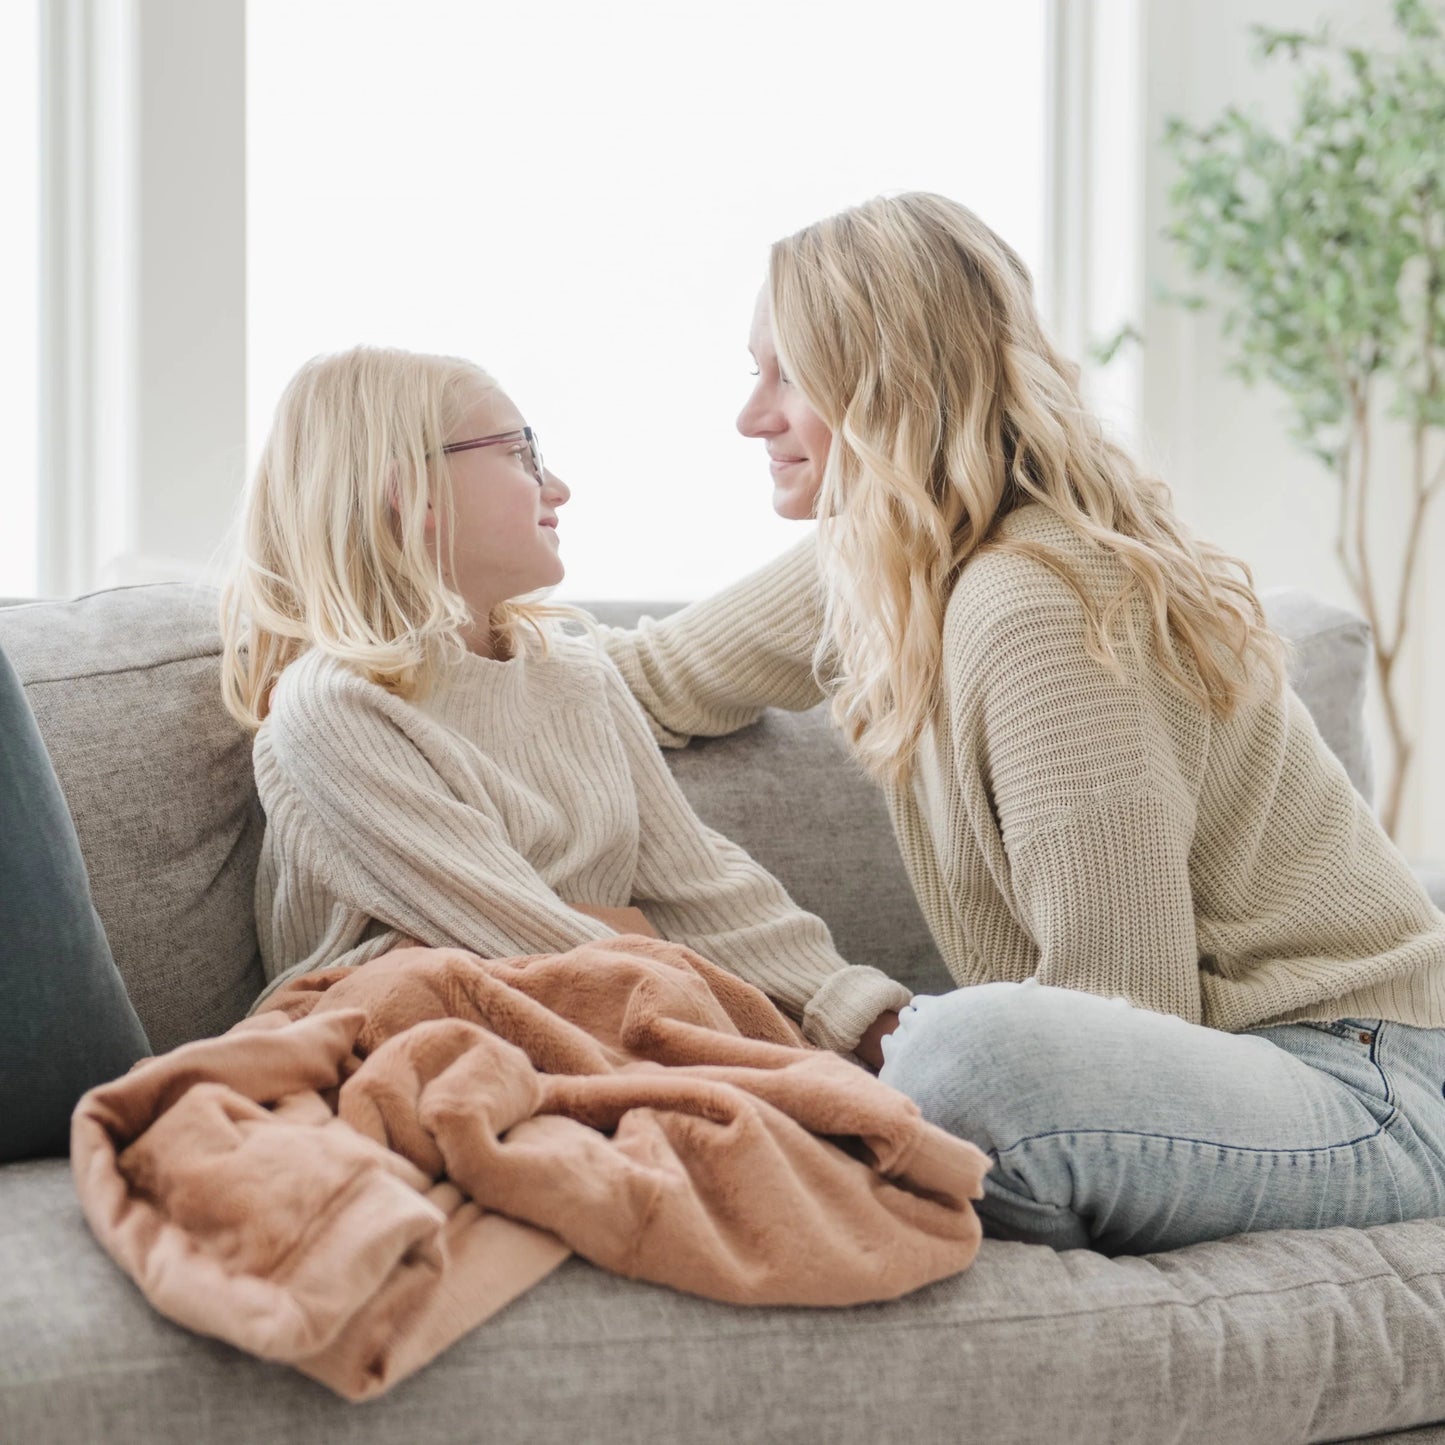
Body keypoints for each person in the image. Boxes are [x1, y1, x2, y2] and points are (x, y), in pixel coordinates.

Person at [599, 191, 1445, 1254]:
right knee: (942, 1065)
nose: (750, 416)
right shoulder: (885, 556)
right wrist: (397, 644)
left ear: (890, 384)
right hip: (1225, 1072)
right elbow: (638, 677)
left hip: (1360, 1082)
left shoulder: (1035, 600)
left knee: (970, 1064)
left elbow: (1122, 1008)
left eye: (789, 376)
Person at [218, 346, 909, 1055]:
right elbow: (514, 933)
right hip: (421, 1034)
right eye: (521, 455)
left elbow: (702, 890)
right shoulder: (333, 709)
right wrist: (638, 937)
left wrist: (870, 1022)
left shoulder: (576, 674)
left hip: (604, 1007)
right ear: (410, 492)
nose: (558, 487)